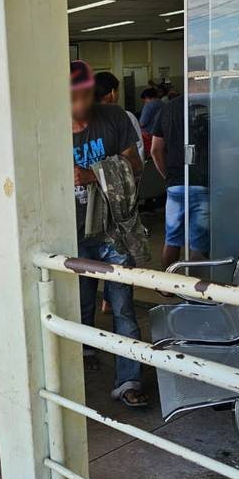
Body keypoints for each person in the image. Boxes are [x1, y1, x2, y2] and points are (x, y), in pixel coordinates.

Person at [70, 60, 150, 408]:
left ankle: (128, 379)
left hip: (115, 232)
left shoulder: (114, 118)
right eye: (74, 97)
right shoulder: (49, 126)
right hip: (71, 232)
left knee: (123, 309)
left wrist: (94, 173)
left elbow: (135, 165)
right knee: (80, 305)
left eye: (87, 96)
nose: (81, 106)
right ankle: (85, 351)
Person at [151, 95, 210, 267]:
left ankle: (167, 286)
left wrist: (168, 177)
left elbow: (156, 150)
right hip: (202, 182)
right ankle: (195, 290)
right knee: (199, 244)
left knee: (172, 239)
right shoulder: (209, 106)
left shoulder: (168, 108)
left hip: (175, 185)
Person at [95, 72, 145, 164]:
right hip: (123, 175)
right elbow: (139, 149)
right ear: (113, 93)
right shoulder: (126, 116)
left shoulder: (86, 120)